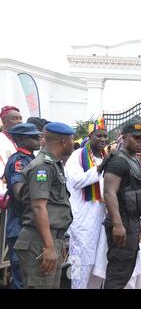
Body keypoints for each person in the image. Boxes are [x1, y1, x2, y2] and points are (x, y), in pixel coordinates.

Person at [13, 122, 74, 289]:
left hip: (48, 238)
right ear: (63, 141)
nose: (72, 143)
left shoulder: (53, 164)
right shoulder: (43, 166)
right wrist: (48, 246)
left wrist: (56, 243)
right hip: (39, 240)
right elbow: (39, 207)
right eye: (71, 139)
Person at [102, 121, 141, 289]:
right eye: (136, 138)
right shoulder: (119, 161)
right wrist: (117, 223)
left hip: (132, 221)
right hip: (122, 220)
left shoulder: (133, 160)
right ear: (124, 138)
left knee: (126, 270)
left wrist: (140, 221)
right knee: (118, 273)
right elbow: (109, 192)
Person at [65, 118, 111, 289]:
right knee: (80, 264)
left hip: (103, 219)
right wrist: (100, 168)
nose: (102, 140)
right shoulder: (77, 156)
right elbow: (76, 181)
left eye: (105, 136)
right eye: (99, 136)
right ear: (90, 136)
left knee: (99, 265)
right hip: (83, 220)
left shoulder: (107, 157)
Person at [3, 123, 41, 288]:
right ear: (19, 139)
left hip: (29, 224)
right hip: (20, 226)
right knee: (22, 277)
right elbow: (20, 193)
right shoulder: (19, 161)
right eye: (33, 137)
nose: (38, 139)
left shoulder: (30, 158)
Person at [1, 106, 22, 199]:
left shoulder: (20, 140)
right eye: (15, 118)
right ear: (4, 121)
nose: (20, 121)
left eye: (21, 118)